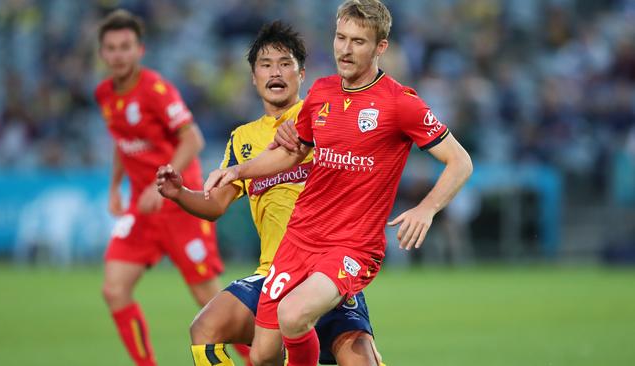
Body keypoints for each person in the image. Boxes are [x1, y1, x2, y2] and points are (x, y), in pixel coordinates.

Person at [203, 1, 474, 365]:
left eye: (358, 42)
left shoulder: (400, 103)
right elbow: (293, 152)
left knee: (294, 314)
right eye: (340, 38)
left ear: (381, 48)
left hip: (351, 245)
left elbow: (460, 161)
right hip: (299, 238)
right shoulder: (322, 92)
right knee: (264, 354)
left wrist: (427, 209)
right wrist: (238, 171)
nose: (345, 49)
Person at [157, 21, 384, 366]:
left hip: (328, 271)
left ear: (301, 74)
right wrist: (179, 193)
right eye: (265, 65)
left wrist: (316, 127)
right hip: (274, 272)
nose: (275, 72)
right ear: (253, 77)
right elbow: (215, 204)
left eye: (284, 64)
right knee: (205, 330)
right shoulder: (243, 139)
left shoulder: (324, 114)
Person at [94, 9, 226, 366]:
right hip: (143, 207)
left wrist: (162, 184)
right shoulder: (104, 94)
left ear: (140, 50)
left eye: (125, 47)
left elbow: (193, 139)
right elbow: (123, 141)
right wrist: (115, 188)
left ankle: (259, 359)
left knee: (210, 303)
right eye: (111, 48)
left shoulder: (155, 90)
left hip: (180, 204)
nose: (118, 54)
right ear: (102, 53)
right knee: (114, 288)